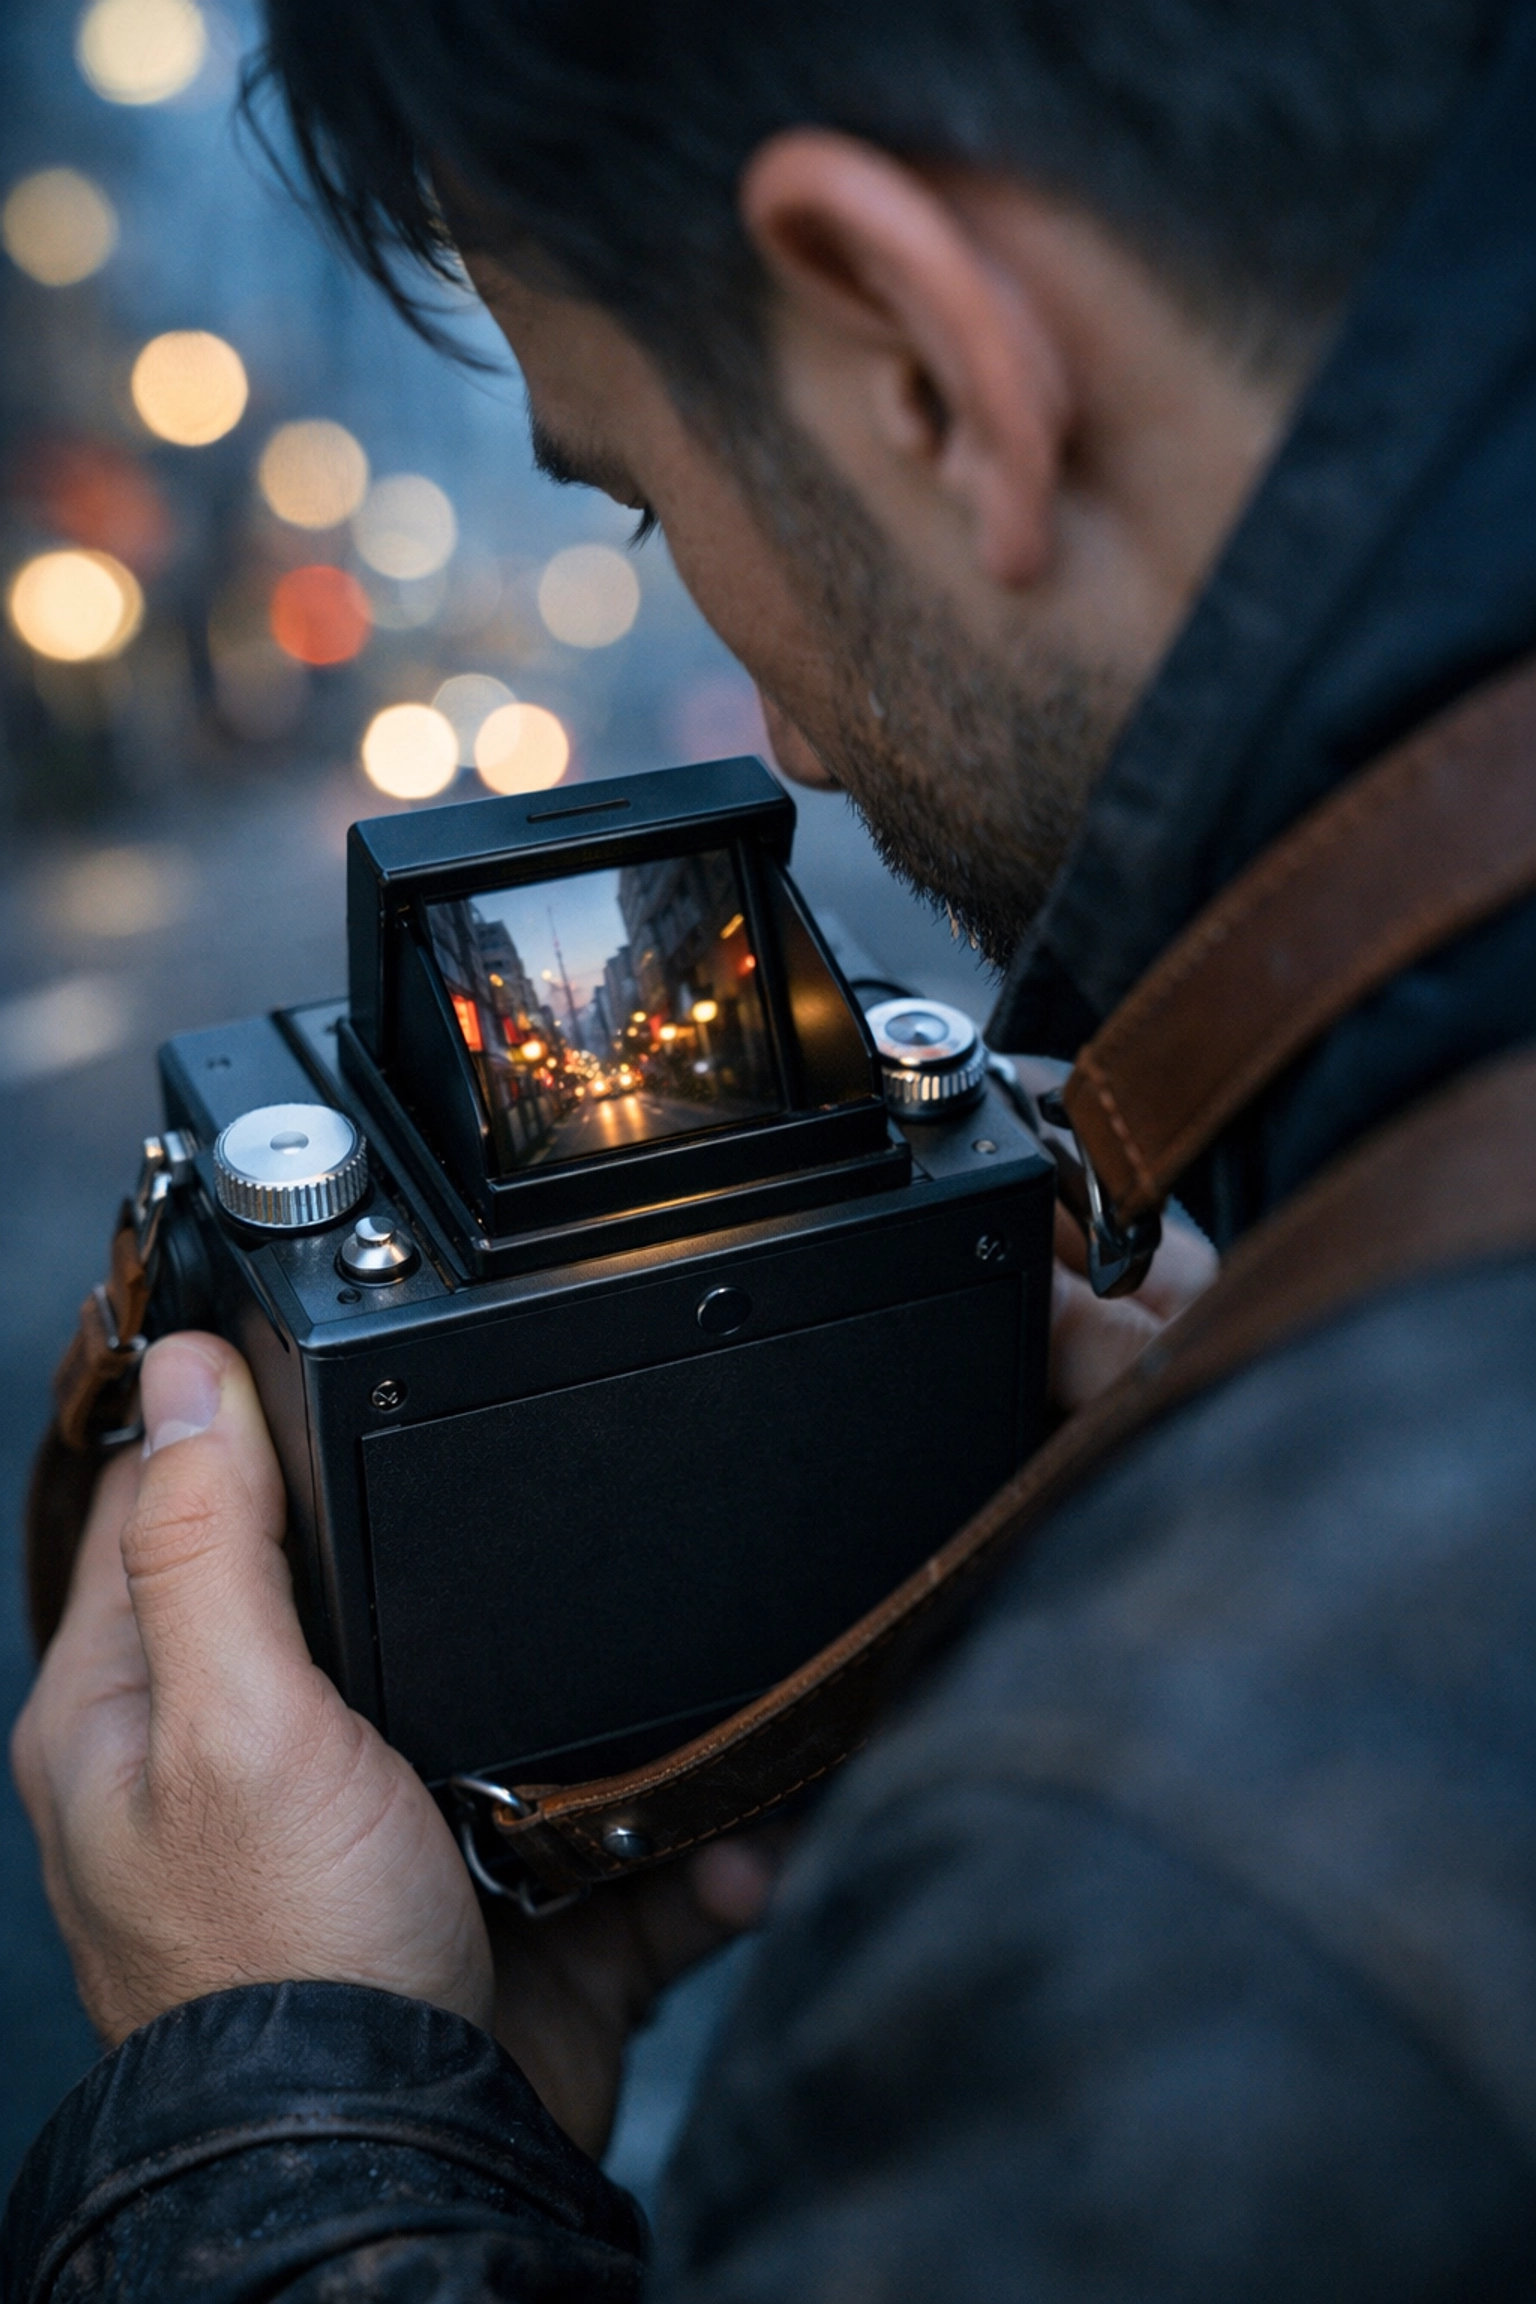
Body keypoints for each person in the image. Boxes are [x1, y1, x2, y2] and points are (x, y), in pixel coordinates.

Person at [8, 0, 1536, 2292]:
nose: (795, 744)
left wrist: (288, 2108)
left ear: (922, 366)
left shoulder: (1179, 1866)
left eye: (633, 481)